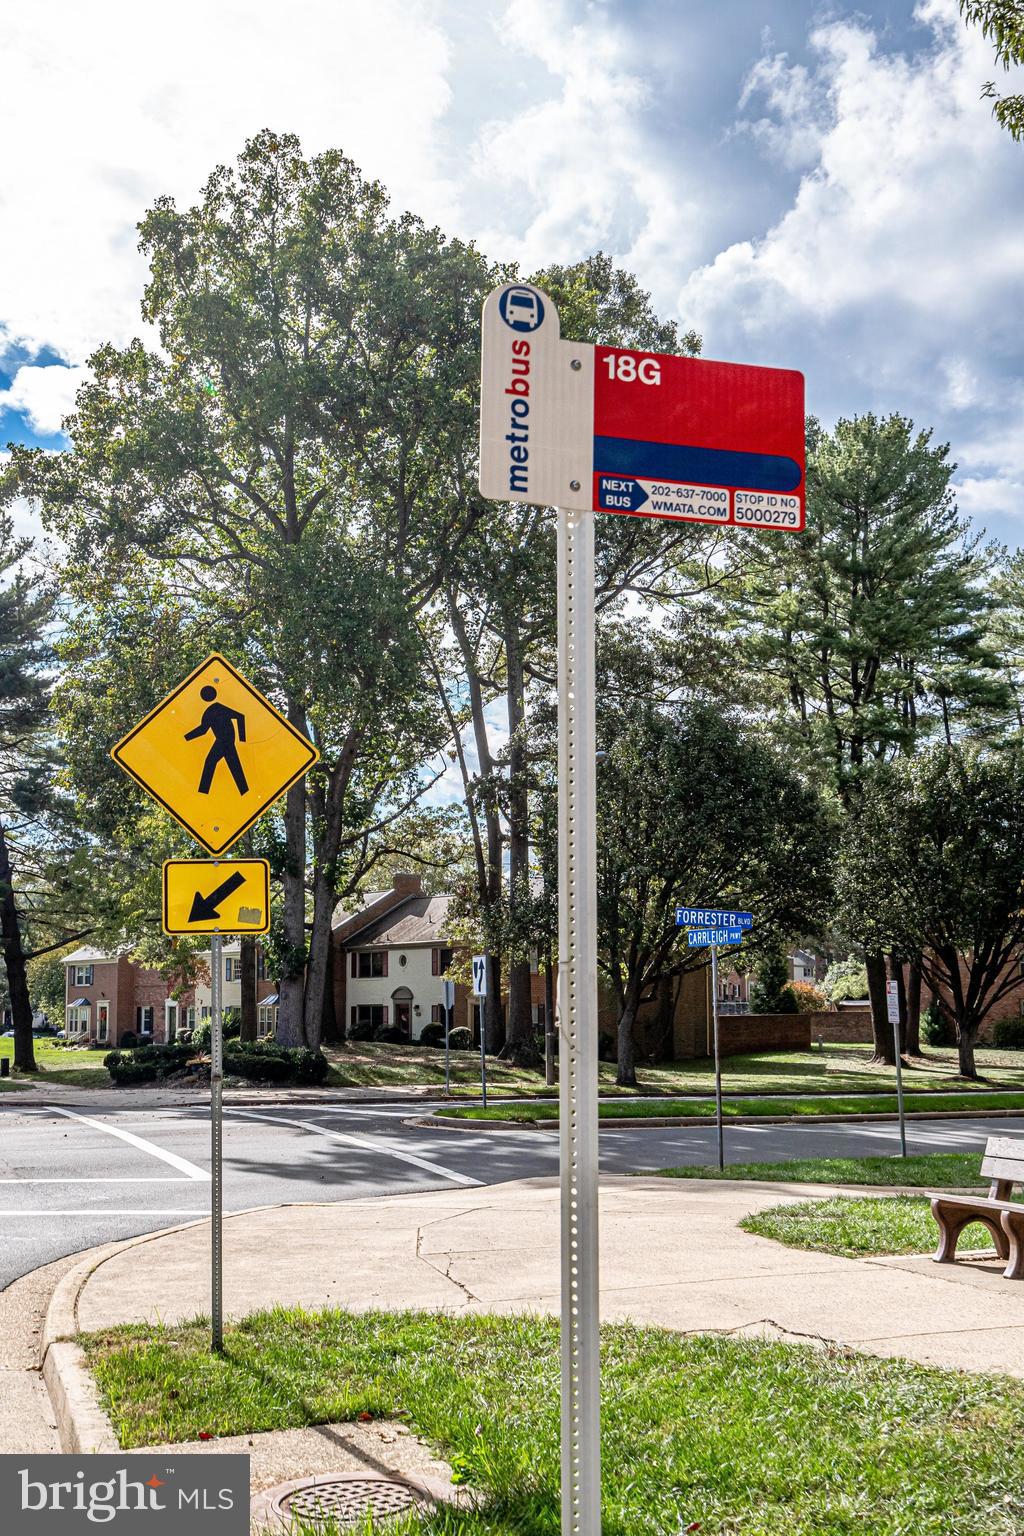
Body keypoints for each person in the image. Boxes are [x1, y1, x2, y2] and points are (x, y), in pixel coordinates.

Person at [184, 685, 249, 795]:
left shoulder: (217, 708)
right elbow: (203, 730)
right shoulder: (210, 711)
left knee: (211, 762)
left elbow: (240, 716)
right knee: (233, 765)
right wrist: (186, 737)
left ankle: (203, 792)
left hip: (225, 740)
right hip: (224, 740)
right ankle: (244, 791)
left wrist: (242, 739)